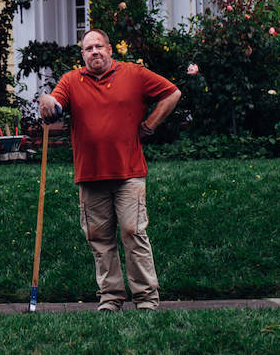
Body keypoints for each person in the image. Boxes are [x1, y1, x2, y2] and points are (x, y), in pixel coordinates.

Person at [39, 29, 181, 311]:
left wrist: (149, 125)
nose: (94, 52)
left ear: (109, 49)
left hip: (129, 172)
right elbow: (56, 103)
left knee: (133, 232)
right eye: (88, 48)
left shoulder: (134, 74)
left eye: (99, 46)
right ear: (82, 54)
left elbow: (172, 93)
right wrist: (47, 101)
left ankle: (146, 298)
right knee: (99, 239)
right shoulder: (71, 80)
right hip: (90, 175)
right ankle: (111, 297)